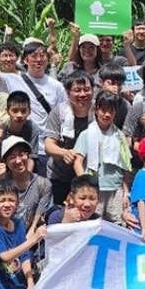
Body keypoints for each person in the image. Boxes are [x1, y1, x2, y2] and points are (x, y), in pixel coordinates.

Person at [0, 40, 67, 178]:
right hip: (20, 149)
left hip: (45, 149)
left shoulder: (57, 87)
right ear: (25, 60)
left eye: (42, 55)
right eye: (34, 56)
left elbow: (63, 116)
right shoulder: (14, 80)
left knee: (41, 186)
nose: (38, 59)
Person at [73, 91, 131, 225]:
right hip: (94, 190)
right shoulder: (86, 134)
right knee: (92, 223)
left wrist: (125, 193)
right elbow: (78, 162)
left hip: (115, 189)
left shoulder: (120, 136)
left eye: (111, 111)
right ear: (96, 110)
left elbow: (126, 166)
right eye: (103, 110)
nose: (107, 115)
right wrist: (86, 185)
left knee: (118, 224)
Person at [42, 72, 94, 205]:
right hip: (60, 176)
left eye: (86, 89)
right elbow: (49, 145)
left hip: (90, 174)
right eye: (77, 90)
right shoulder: (58, 112)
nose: (82, 94)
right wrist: (64, 153)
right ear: (67, 93)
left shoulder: (99, 111)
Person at [0, 135, 52, 227]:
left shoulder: (43, 185)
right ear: (5, 161)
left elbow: (39, 219)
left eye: (21, 154)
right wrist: (1, 181)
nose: (18, 161)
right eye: (12, 157)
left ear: (28, 156)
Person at [0, 91, 39, 169]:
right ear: (7, 111)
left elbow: (31, 159)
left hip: (23, 169)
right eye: (15, 111)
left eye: (24, 111)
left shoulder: (32, 128)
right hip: (3, 169)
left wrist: (26, 175)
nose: (19, 115)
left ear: (29, 111)